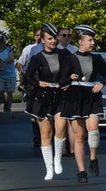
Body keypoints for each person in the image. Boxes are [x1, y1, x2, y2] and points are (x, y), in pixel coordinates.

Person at [62, 25, 106, 182]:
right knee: (79, 135)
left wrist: (101, 84)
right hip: (75, 97)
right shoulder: (69, 59)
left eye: (93, 40)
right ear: (81, 41)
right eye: (90, 40)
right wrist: (70, 77)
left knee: (93, 129)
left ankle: (93, 158)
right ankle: (81, 171)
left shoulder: (96, 58)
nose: (93, 42)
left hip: (92, 95)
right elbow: (61, 80)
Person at [26, 24, 75, 180]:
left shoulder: (65, 54)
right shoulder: (37, 58)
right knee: (46, 133)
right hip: (43, 97)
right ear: (42, 40)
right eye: (49, 39)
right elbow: (28, 76)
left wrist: (69, 81)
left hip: (60, 95)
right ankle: (49, 168)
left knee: (60, 127)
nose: (53, 41)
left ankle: (58, 158)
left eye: (55, 38)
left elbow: (73, 71)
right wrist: (38, 83)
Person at [0, 35, 17, 112]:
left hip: (9, 74)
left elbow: (11, 59)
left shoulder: (9, 50)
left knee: (9, 91)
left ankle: (8, 107)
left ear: (5, 42)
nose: (1, 44)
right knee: (0, 90)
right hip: (0, 74)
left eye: (2, 42)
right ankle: (5, 103)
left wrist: (4, 61)